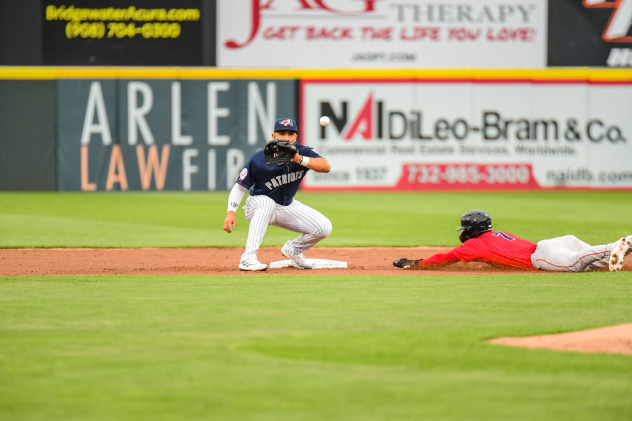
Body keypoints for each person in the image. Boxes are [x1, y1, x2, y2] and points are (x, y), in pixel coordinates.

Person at [223, 118, 332, 271]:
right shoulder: (259, 158)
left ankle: (293, 250)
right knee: (266, 202)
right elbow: (240, 187)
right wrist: (230, 212)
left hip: (285, 206)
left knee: (323, 227)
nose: (287, 138)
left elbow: (326, 166)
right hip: (257, 205)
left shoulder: (303, 152)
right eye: (282, 133)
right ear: (274, 137)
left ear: (296, 137)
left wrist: (299, 159)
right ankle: (248, 258)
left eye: (290, 134)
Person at [393, 210, 631, 272]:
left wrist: (415, 263)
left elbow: (444, 259)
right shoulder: (496, 236)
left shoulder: (474, 245)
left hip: (541, 256)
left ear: (472, 229)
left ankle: (617, 246)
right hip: (554, 243)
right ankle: (626, 244)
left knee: (576, 264)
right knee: (596, 262)